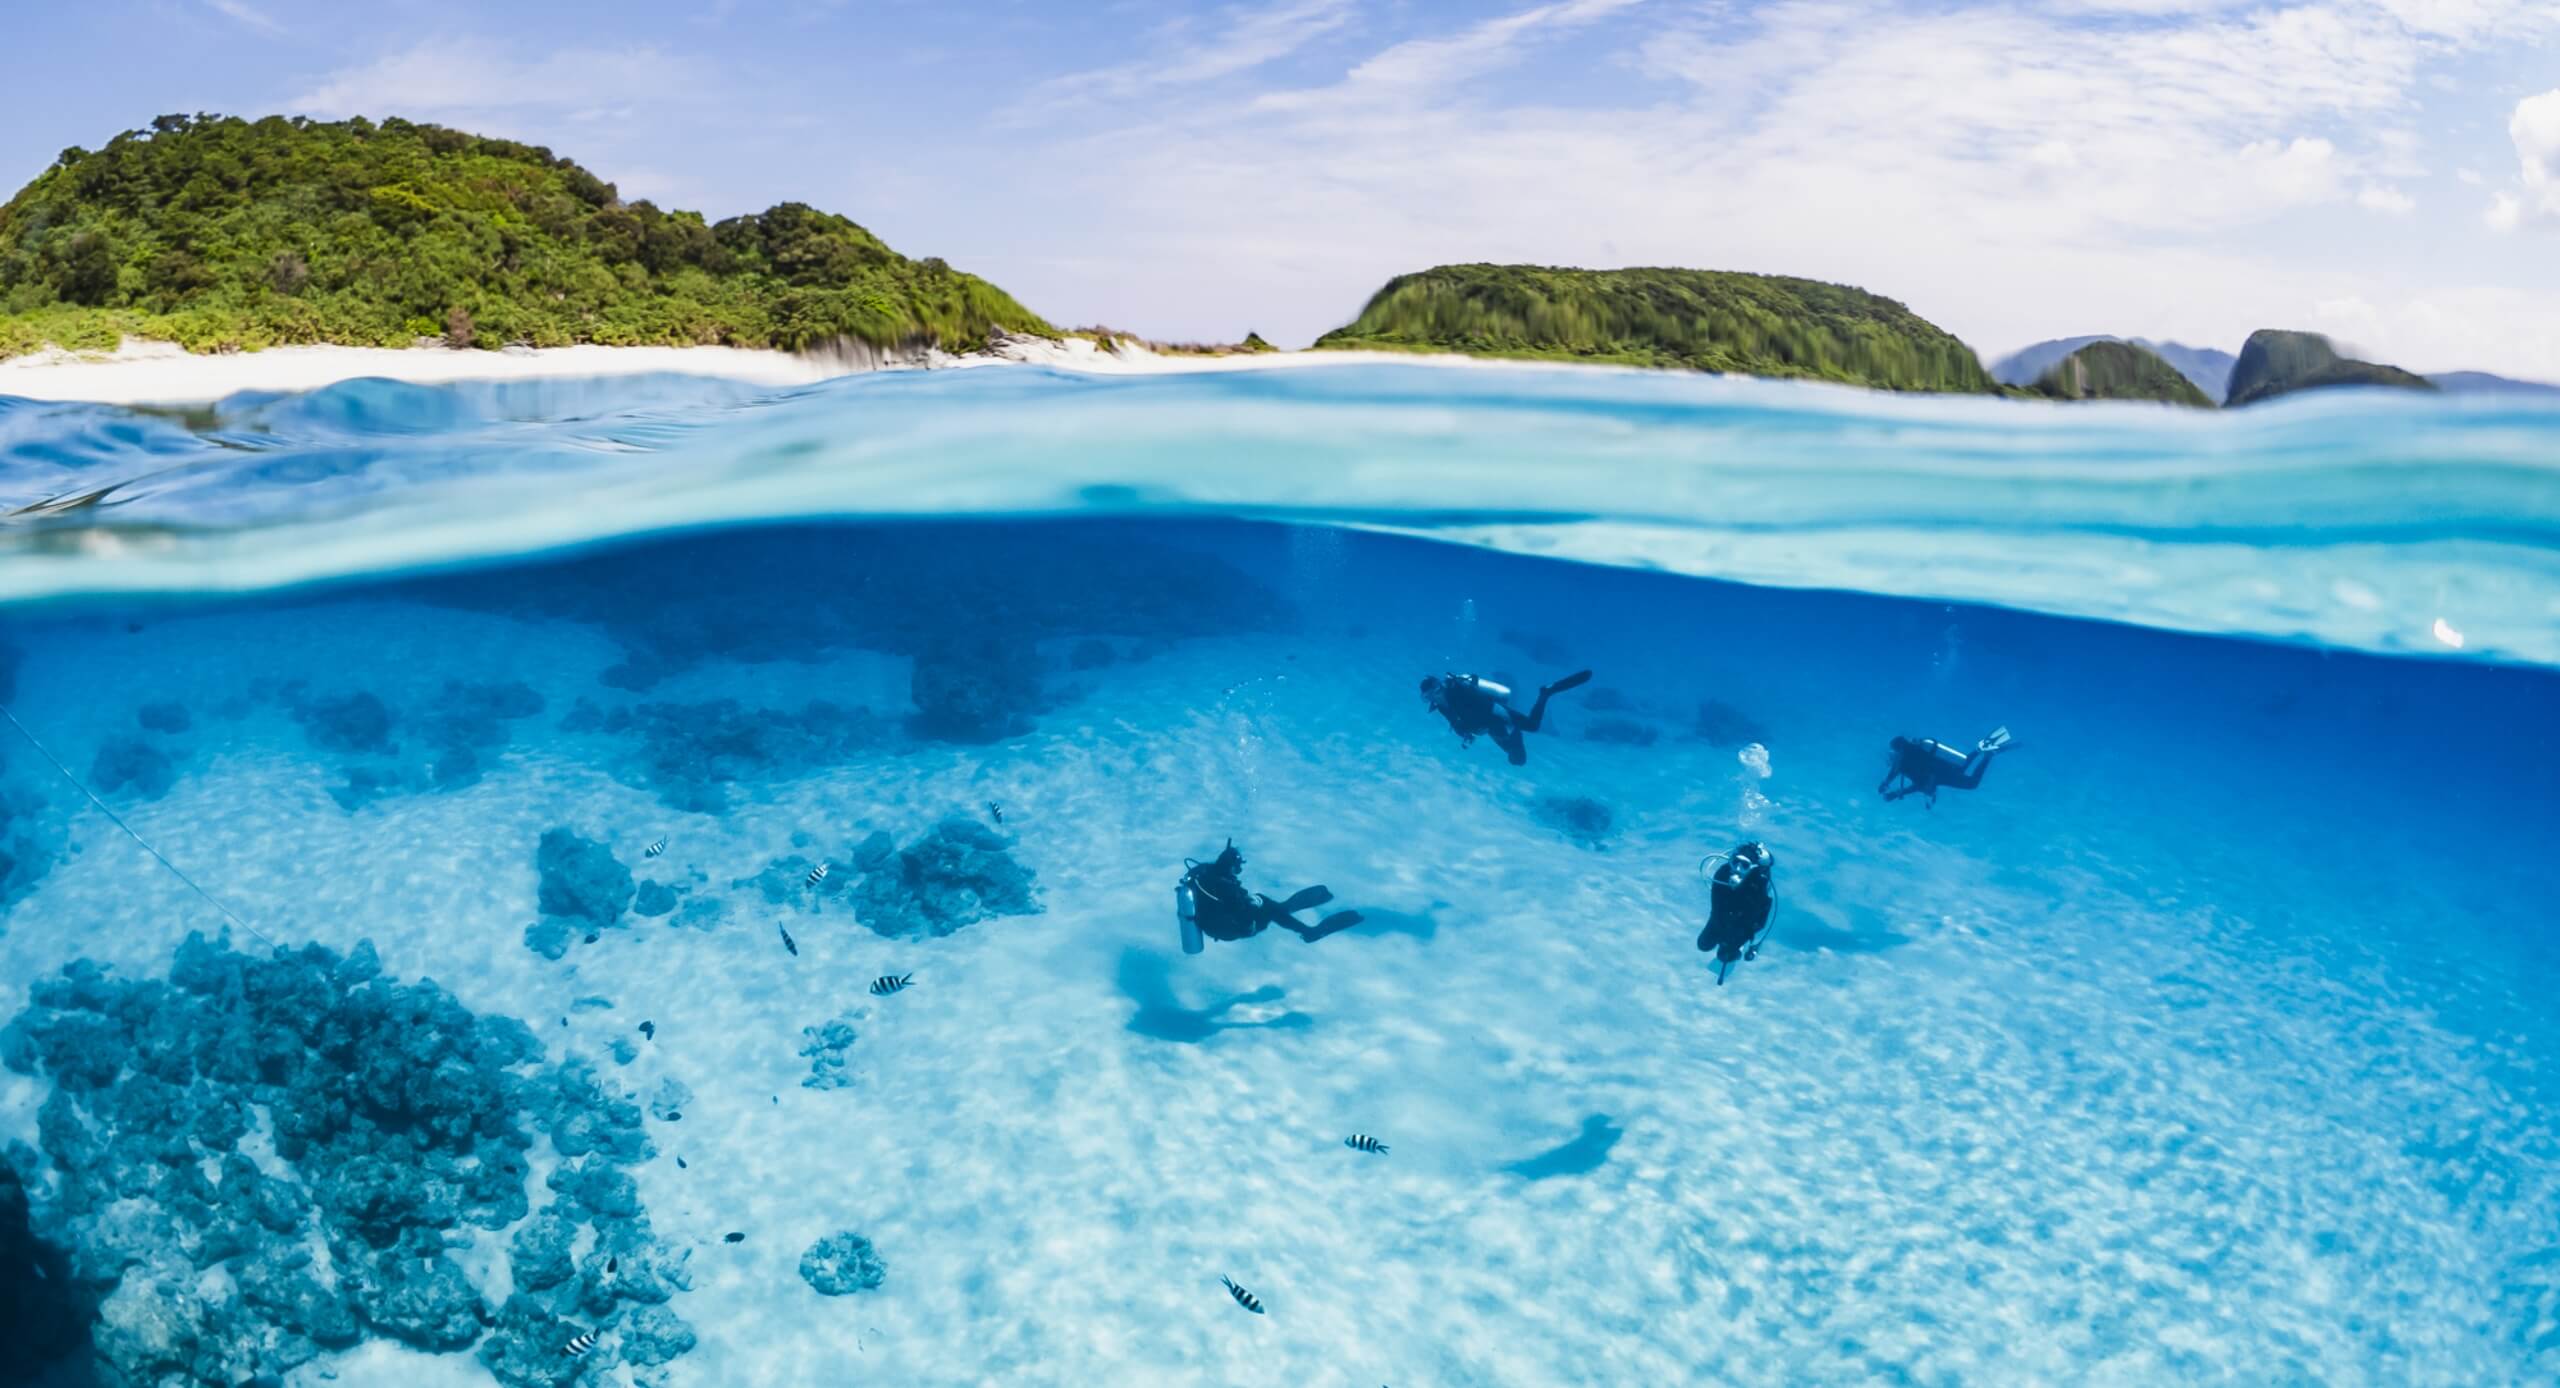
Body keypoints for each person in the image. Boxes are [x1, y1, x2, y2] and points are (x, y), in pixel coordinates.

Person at [1176, 841, 1362, 952]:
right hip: (1229, 930)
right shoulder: (1226, 887)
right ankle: (1308, 932)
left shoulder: (1205, 872)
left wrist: (1250, 902)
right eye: (1238, 867)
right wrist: (1254, 911)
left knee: (1262, 900)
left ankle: (1280, 911)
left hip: (1210, 923)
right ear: (1232, 866)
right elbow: (1242, 916)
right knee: (1267, 907)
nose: (1239, 871)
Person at [1420, 669, 1593, 766]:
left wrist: (1505, 730)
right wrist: (1465, 734)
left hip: (1499, 718)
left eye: (1434, 693)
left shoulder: (1460, 691)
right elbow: (1455, 721)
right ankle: (1514, 741)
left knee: (1533, 726)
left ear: (1440, 687)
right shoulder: (1441, 706)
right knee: (1517, 761)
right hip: (1489, 728)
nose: (1434, 699)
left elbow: (1488, 709)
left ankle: (1546, 693)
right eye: (1428, 697)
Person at [1695, 841, 1776, 986]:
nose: (1737, 868)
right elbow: (1717, 907)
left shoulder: (1758, 883)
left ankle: (1736, 949)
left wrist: (1749, 942)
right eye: (1735, 862)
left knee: (1726, 956)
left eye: (1744, 865)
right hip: (1721, 916)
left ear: (1752, 868)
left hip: (1744, 924)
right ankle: (1728, 946)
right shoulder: (1722, 873)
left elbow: (1754, 914)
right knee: (1703, 945)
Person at [1879, 726, 2013, 806]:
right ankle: (1979, 749)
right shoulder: (1915, 750)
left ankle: (1987, 755)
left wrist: (1893, 790)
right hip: (1941, 767)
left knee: (1972, 784)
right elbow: (1911, 780)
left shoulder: (1902, 765)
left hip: (1939, 775)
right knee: (1961, 767)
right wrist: (1893, 789)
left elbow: (1916, 784)